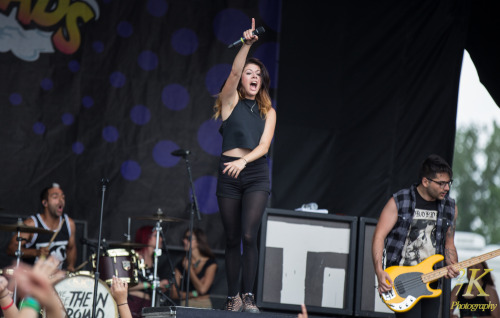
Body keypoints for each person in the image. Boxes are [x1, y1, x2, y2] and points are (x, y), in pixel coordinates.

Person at [213, 17, 276, 313]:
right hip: (228, 173)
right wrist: (247, 45)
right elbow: (235, 69)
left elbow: (263, 147)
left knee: (249, 235)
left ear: (262, 81)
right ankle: (232, 297)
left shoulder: (269, 111)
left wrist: (244, 160)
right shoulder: (229, 102)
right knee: (231, 237)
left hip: (255, 173)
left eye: (257, 73)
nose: (252, 76)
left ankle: (249, 296)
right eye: (248, 73)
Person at [372, 154, 460, 318]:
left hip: (432, 281)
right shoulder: (400, 201)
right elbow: (378, 236)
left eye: (448, 183)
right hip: (403, 281)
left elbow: (449, 243)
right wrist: (379, 271)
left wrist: (452, 264)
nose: (447, 188)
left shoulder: (450, 207)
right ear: (425, 181)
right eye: (441, 183)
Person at [7, 183, 77, 272]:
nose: (61, 200)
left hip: (57, 280)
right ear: (45, 203)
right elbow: (11, 249)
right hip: (33, 280)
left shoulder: (69, 223)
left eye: (63, 197)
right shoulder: (31, 224)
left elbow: (71, 248)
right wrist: (36, 252)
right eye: (55, 197)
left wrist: (70, 266)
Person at [127, 225, 171, 317]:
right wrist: (152, 284)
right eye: (156, 236)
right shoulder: (134, 257)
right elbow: (126, 285)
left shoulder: (155, 260)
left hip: (149, 304)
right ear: (146, 238)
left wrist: (160, 286)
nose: (160, 239)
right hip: (133, 303)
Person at [171, 228, 217, 308]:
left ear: (198, 242)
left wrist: (189, 270)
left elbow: (203, 290)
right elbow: (174, 294)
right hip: (185, 305)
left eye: (188, 238)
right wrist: (194, 294)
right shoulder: (181, 264)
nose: (184, 241)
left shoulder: (210, 263)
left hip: (203, 305)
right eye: (184, 238)